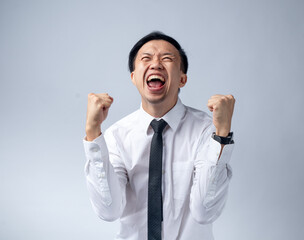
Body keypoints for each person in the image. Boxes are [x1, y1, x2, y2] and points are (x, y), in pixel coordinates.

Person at [83, 31, 235, 240]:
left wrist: (222, 136)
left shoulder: (205, 130)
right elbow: (109, 211)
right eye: (146, 58)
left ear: (182, 79)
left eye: (167, 58)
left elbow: (204, 212)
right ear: (134, 77)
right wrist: (93, 134)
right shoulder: (116, 136)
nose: (155, 64)